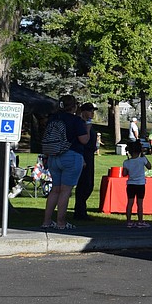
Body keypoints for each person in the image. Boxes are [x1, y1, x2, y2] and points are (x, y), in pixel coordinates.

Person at [40, 94, 90, 230]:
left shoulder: (53, 119)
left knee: (54, 190)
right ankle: (61, 222)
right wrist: (88, 128)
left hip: (53, 156)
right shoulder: (76, 120)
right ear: (74, 106)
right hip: (71, 156)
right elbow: (84, 140)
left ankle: (47, 221)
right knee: (65, 191)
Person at [71, 101, 99, 222]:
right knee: (84, 183)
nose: (92, 113)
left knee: (89, 184)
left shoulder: (88, 124)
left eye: (93, 110)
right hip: (83, 155)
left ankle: (81, 209)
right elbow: (84, 141)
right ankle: (80, 211)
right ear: (83, 112)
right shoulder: (81, 124)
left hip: (90, 154)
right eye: (90, 110)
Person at [120, 140, 152, 228]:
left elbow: (124, 174)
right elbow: (149, 166)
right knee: (140, 203)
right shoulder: (142, 159)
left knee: (130, 203)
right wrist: (144, 155)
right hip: (140, 184)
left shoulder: (126, 162)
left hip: (130, 184)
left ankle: (129, 221)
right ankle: (140, 221)